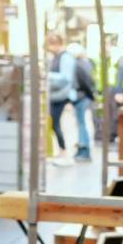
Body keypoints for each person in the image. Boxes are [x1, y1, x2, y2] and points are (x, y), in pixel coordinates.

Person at [45, 32, 93, 164]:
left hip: (66, 95)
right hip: (63, 95)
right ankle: (74, 150)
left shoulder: (65, 57)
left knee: (75, 123)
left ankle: (71, 151)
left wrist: (47, 76)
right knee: (68, 123)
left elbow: (65, 78)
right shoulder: (58, 57)